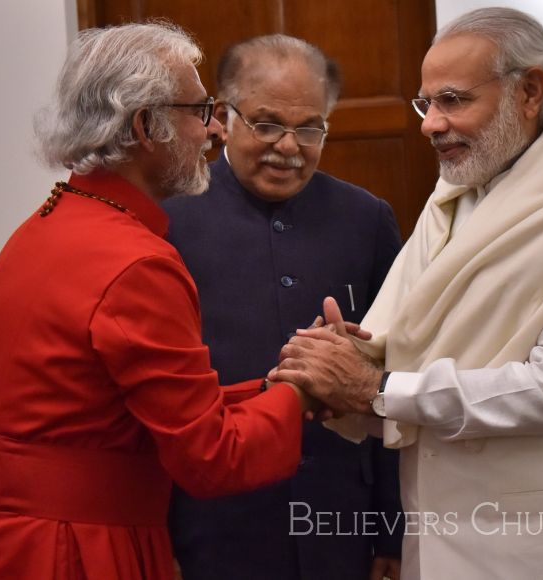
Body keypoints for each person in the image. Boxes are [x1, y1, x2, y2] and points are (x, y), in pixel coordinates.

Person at [273, 8, 543, 580]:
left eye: (454, 100)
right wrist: (343, 359)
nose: (431, 124)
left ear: (529, 90)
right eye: (425, 103)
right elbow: (411, 338)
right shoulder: (453, 195)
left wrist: (377, 387)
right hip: (445, 543)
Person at [0, 22, 315, 580]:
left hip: (0, 542)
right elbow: (212, 456)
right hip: (74, 552)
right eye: (200, 109)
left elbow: (129, 412)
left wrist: (269, 390)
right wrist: (302, 389)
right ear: (146, 125)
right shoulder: (137, 262)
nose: (213, 129)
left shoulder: (46, 225)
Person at [163, 34, 404, 580]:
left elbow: (397, 369)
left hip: (340, 521)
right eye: (267, 123)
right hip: (213, 525)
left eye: (310, 128)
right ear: (224, 117)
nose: (289, 147)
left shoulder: (366, 219)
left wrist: (392, 527)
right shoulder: (169, 219)